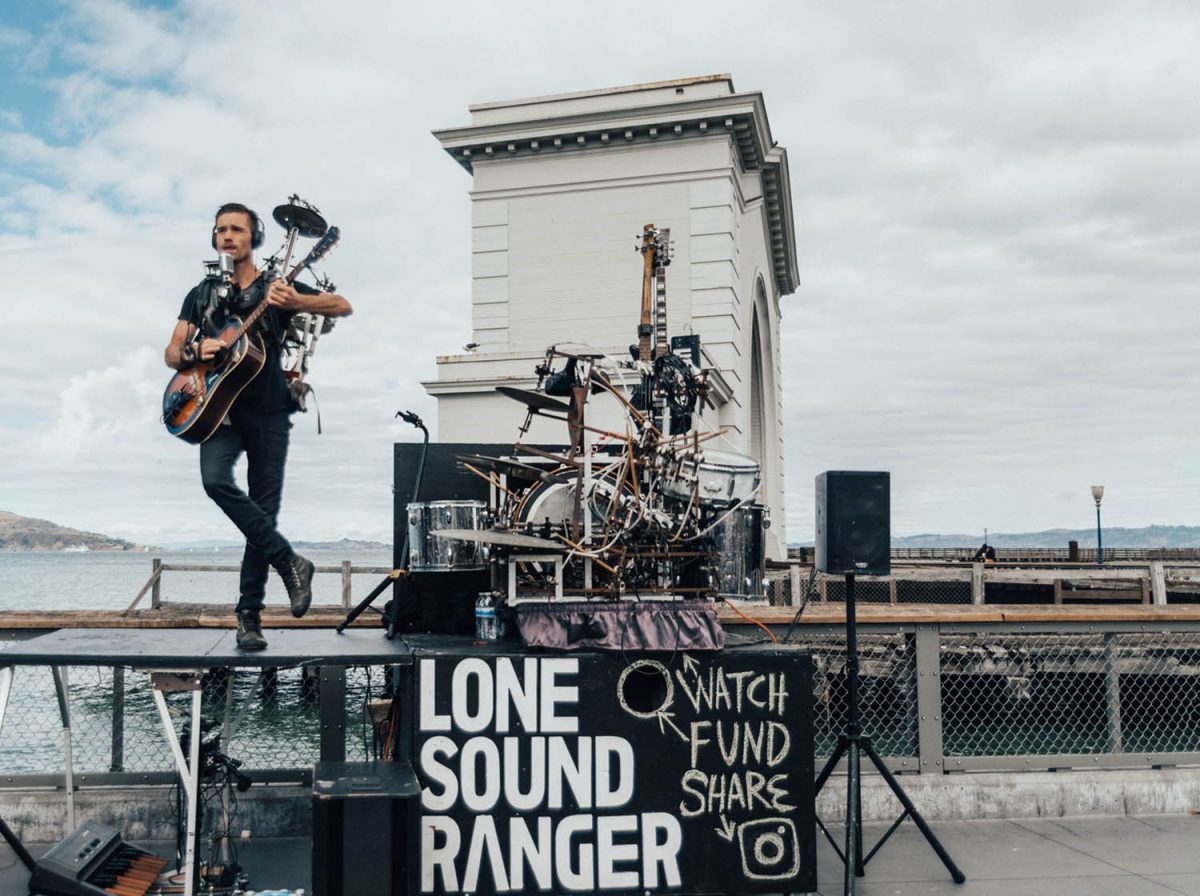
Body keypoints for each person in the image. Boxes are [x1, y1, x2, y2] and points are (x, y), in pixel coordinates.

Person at [164, 203, 352, 650]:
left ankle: (248, 618)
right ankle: (289, 561)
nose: (227, 235)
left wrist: (299, 301)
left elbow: (341, 305)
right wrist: (196, 352)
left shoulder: (275, 287)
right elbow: (171, 353)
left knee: (262, 514)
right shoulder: (201, 293)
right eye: (220, 229)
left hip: (268, 411)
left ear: (254, 238)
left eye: (236, 229)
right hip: (216, 409)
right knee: (215, 481)